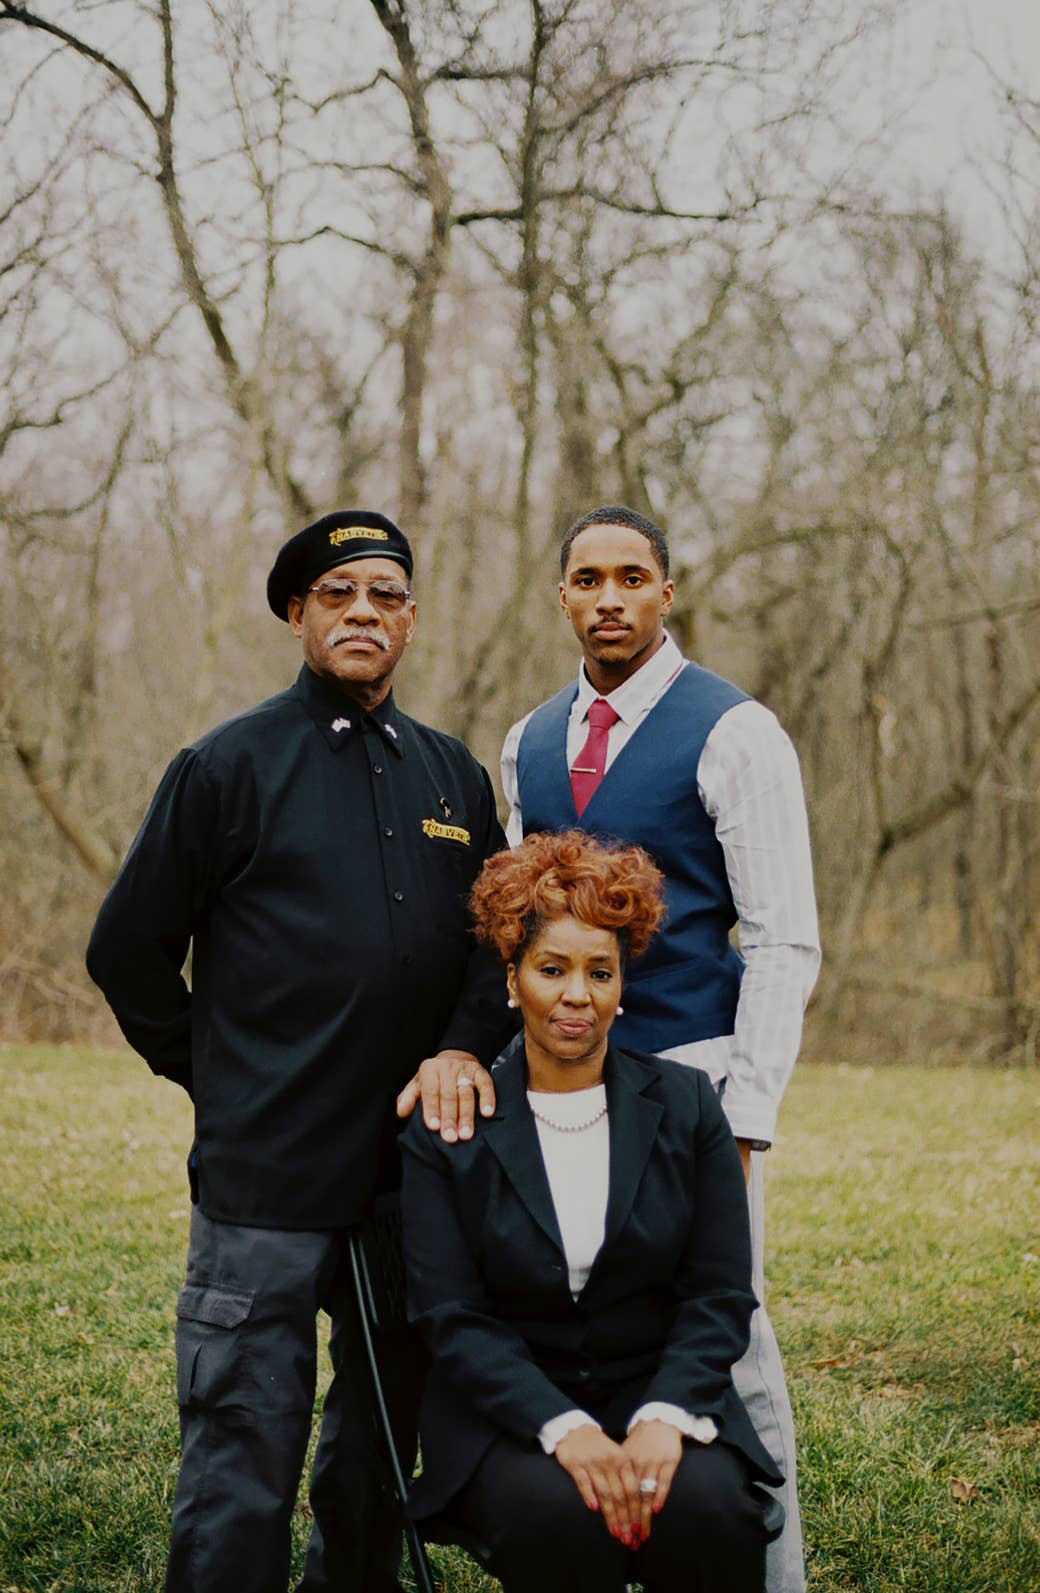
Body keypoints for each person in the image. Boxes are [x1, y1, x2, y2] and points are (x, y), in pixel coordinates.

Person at [86, 510, 512, 1593]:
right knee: (244, 1453)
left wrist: (463, 1050)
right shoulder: (226, 765)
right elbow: (128, 951)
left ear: (410, 620)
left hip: (408, 1186)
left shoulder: (453, 778)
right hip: (263, 1187)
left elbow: (498, 949)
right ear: (297, 613)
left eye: (384, 595)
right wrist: (217, 1077)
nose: (362, 611)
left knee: (376, 1451)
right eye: (337, 594)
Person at [498, 506, 821, 1593]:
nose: (608, 597)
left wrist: (746, 1117)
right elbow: (526, 933)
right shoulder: (527, 740)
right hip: (563, 1088)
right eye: (586, 578)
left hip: (694, 1077)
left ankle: (768, 1576)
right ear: (562, 596)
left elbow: (781, 935)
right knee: (581, 1324)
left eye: (630, 576)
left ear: (665, 593)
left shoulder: (733, 731)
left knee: (727, 1338)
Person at [400, 830, 781, 1593]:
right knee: (559, 1518)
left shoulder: (686, 1107)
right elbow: (451, 1316)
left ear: (620, 983)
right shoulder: (452, 1126)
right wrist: (567, 1430)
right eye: (552, 968)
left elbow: (718, 1295)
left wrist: (664, 1416)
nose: (577, 993)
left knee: (706, 1510)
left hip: (658, 1397)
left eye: (599, 971)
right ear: (511, 979)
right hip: (511, 1418)